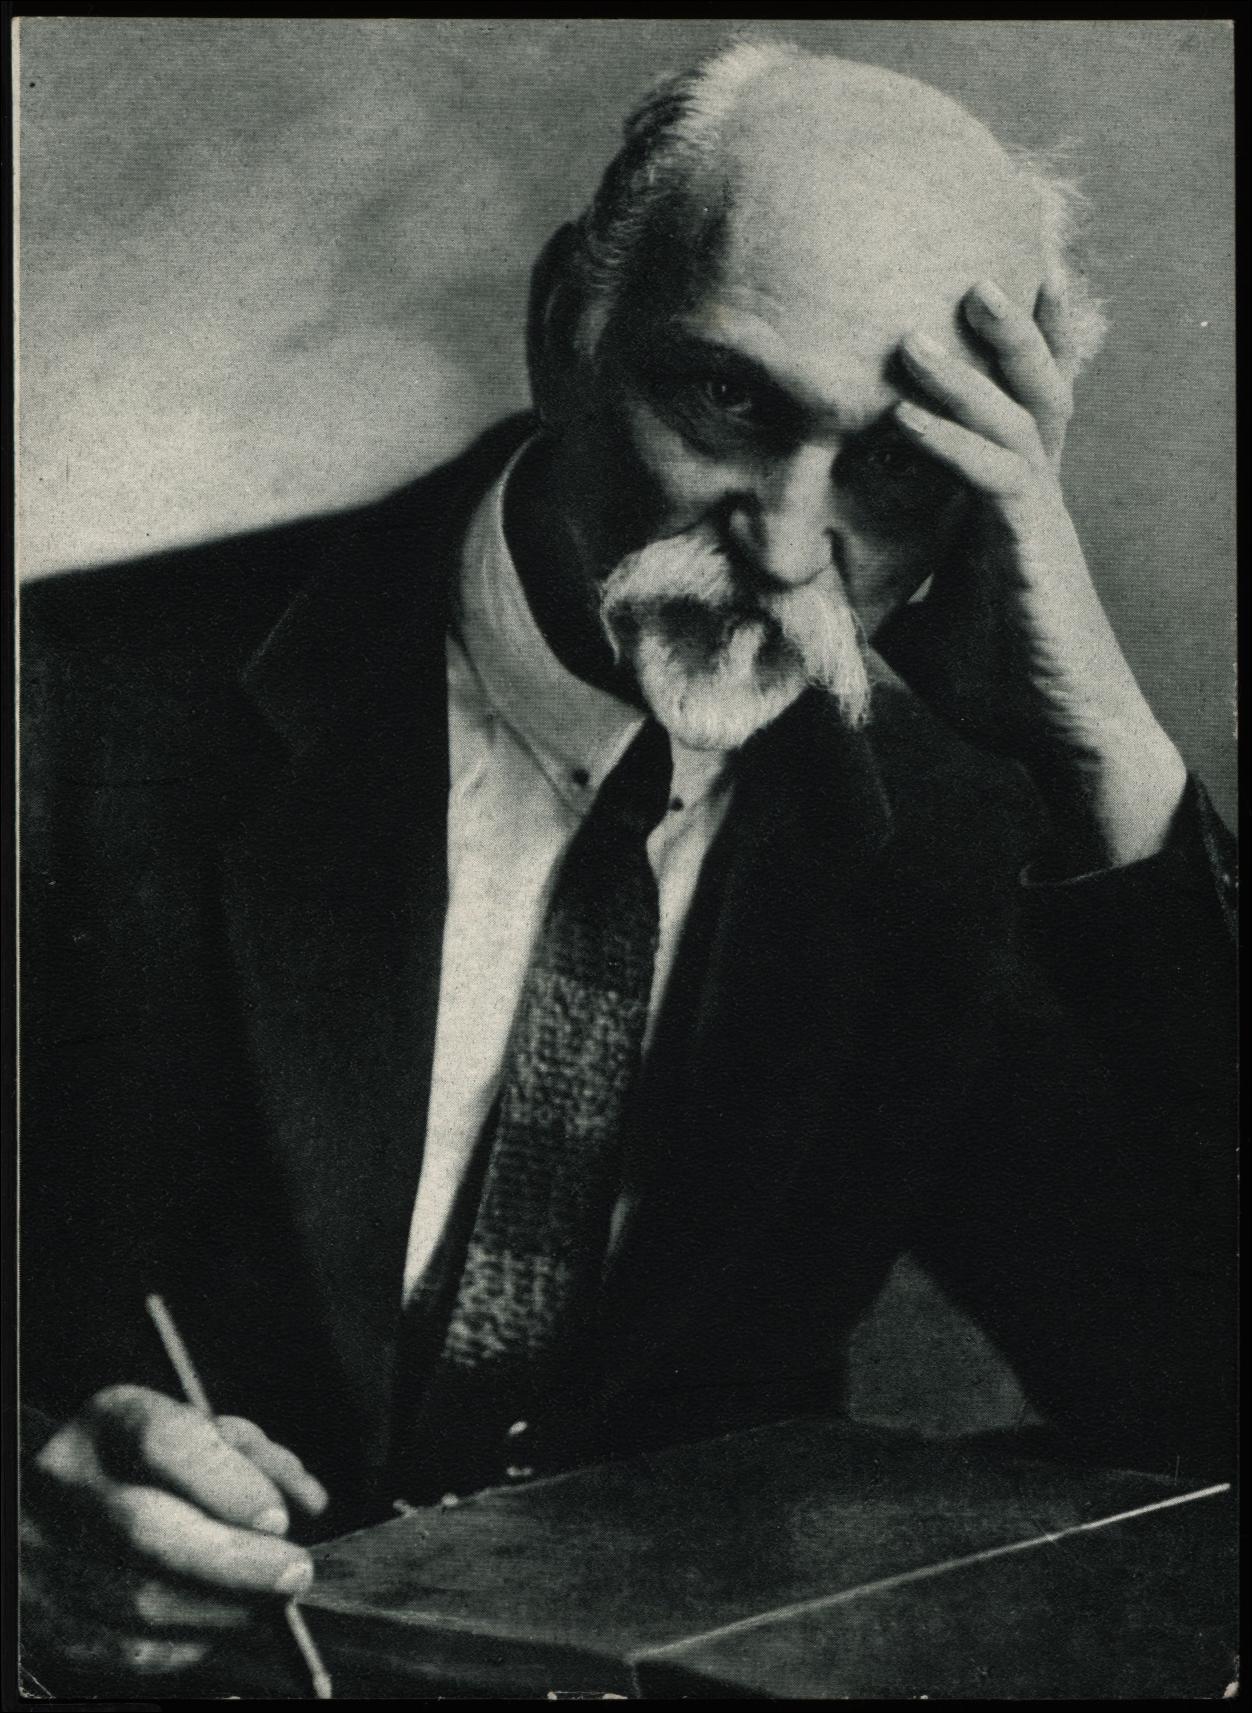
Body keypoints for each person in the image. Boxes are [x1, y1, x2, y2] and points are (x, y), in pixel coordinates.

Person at [20, 40, 1235, 1694]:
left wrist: (1110, 753)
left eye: (894, 463)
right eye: (730, 403)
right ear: (562, 328)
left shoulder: (956, 831)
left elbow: (1190, 1385)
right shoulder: (68, 713)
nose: (787, 544)